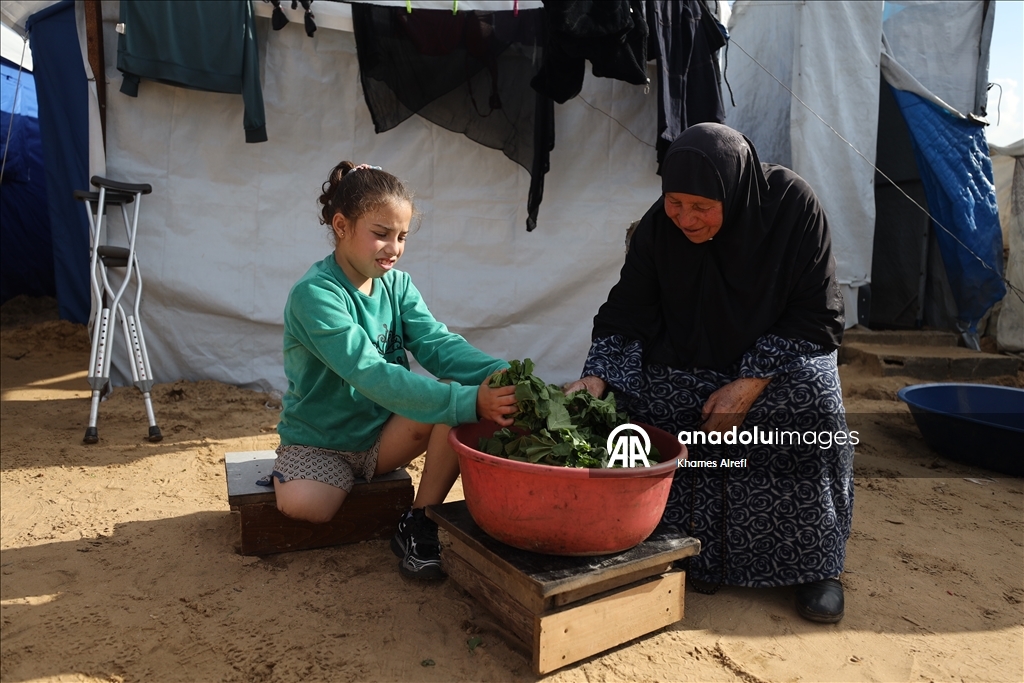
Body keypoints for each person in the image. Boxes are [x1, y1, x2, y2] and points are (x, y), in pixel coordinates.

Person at [565, 123, 853, 623]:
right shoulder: (660, 228)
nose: (685, 218)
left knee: (812, 397)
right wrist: (599, 376)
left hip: (777, 355)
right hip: (690, 354)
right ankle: (665, 542)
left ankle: (812, 564)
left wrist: (752, 380)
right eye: (675, 202)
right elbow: (628, 311)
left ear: (734, 189)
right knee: (641, 401)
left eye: (701, 207)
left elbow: (818, 315)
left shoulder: (791, 207)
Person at [272, 161, 518, 580]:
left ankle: (420, 520)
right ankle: (298, 469)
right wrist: (472, 399)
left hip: (382, 436)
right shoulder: (315, 295)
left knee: (455, 401)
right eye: (381, 234)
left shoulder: (398, 285)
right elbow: (369, 373)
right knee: (308, 508)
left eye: (402, 236)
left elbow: (439, 345)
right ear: (341, 226)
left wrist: (500, 373)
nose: (394, 247)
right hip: (320, 440)